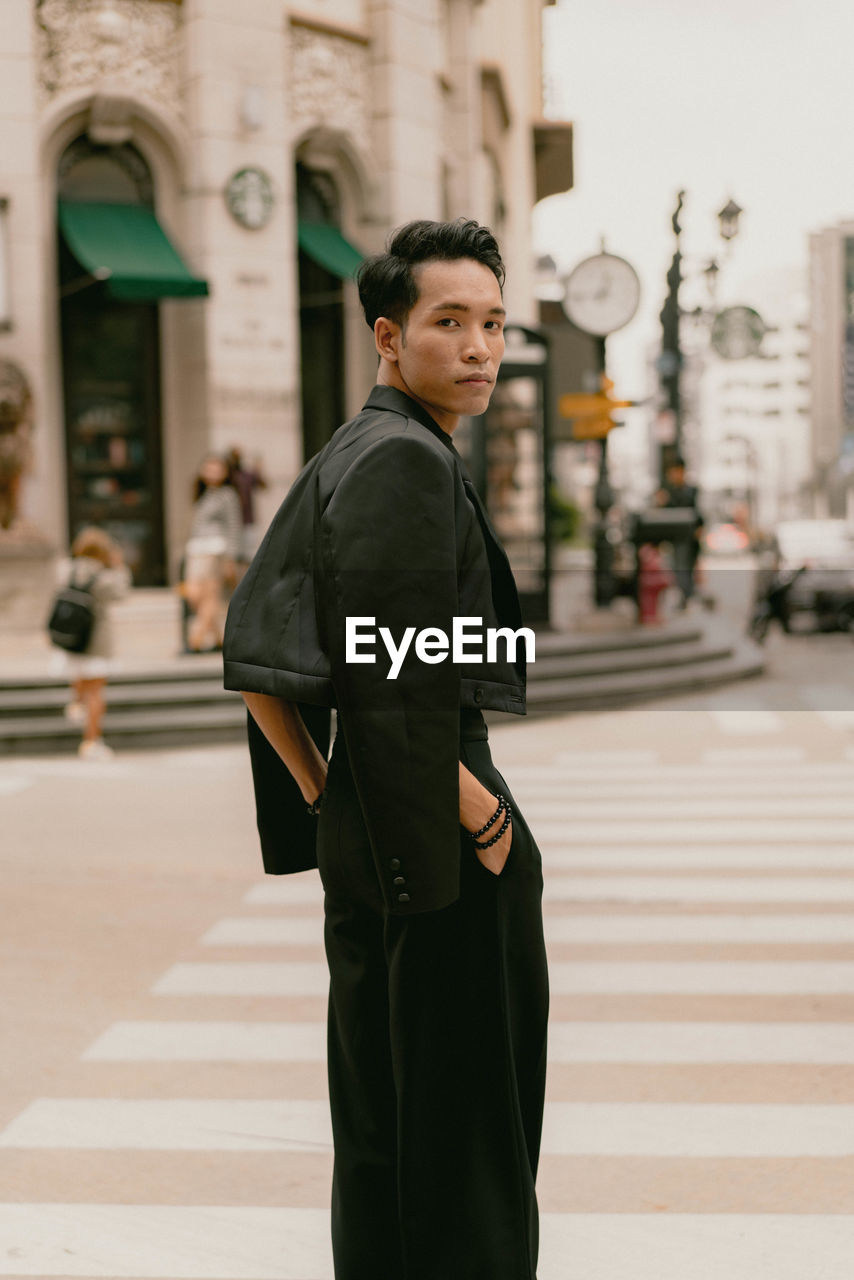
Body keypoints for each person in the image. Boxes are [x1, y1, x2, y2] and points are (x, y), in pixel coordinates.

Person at [223, 219, 549, 1280]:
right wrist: (480, 814)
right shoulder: (405, 460)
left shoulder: (355, 450)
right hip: (440, 850)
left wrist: (331, 792)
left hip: (384, 833)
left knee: (383, 1138)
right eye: (448, 321)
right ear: (386, 334)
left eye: (492, 322)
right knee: (464, 1151)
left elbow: (261, 650)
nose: (478, 347)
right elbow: (389, 682)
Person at [54, 526, 131, 760]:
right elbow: (121, 593)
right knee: (96, 692)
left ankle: (76, 704)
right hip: (95, 643)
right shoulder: (102, 577)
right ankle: (91, 741)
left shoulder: (66, 570)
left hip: (72, 639)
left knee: (80, 677)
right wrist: (119, 566)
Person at [181, 454, 242, 652]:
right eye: (209, 468)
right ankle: (218, 637)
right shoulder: (202, 494)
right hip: (197, 548)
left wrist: (231, 557)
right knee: (195, 594)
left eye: (217, 468)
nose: (213, 472)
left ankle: (196, 639)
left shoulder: (228, 495)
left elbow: (234, 526)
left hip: (216, 549)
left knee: (210, 594)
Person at [654, 455, 704, 607]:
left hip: (688, 538)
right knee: (675, 568)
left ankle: (686, 597)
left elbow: (698, 513)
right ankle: (685, 596)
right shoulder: (667, 492)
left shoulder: (691, 491)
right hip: (673, 537)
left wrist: (700, 528)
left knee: (684, 568)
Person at [225, 445, 268, 565]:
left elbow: (263, 485)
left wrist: (259, 469)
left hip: (248, 520)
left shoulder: (247, 475)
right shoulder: (227, 477)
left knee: (249, 554)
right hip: (231, 522)